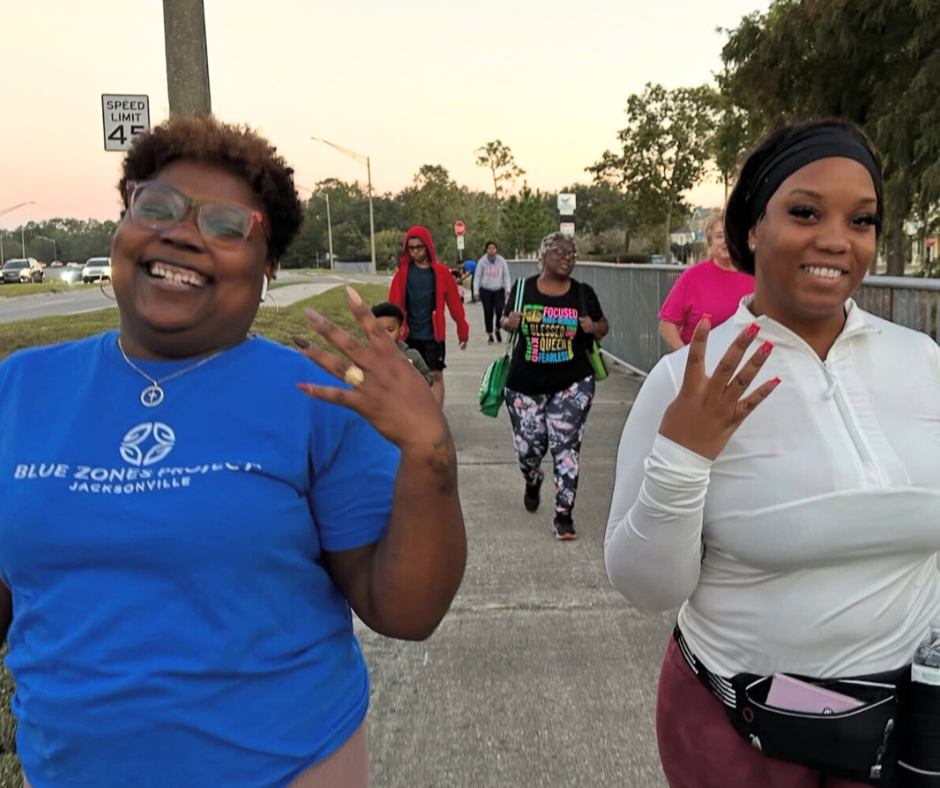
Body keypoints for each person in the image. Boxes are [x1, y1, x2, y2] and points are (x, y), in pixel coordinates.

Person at [0, 115, 467, 788]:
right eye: (156, 206)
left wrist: (430, 452)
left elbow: (405, 610)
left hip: (290, 766)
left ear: (268, 264)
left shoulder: (317, 397)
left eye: (226, 225)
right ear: (124, 220)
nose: (182, 232)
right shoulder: (20, 389)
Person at [605, 119, 940, 787]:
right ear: (751, 228)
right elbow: (647, 588)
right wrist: (683, 458)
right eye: (806, 212)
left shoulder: (923, 361)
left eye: (862, 220)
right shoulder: (686, 382)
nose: (837, 240)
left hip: (903, 731)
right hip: (743, 732)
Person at [500, 231, 609, 541]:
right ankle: (532, 479)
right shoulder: (522, 289)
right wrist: (509, 323)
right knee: (528, 449)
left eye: (572, 254)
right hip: (525, 385)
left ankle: (564, 515)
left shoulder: (583, 294)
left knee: (566, 450)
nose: (567, 258)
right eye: (561, 252)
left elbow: (603, 327)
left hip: (572, 384)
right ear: (543, 254)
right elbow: (505, 321)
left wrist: (593, 327)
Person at [388, 226, 469, 406]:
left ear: (428, 247)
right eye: (412, 248)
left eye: (419, 247)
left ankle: (435, 419)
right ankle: (413, 415)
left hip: (434, 335)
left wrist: (462, 329)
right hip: (408, 335)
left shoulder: (441, 273)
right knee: (409, 375)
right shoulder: (402, 274)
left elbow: (455, 304)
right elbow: (392, 307)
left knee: (435, 375)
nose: (416, 251)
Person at [657, 210, 755, 351]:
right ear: (710, 242)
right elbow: (667, 325)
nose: (726, 241)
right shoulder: (692, 277)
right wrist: (685, 359)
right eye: (720, 236)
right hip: (699, 366)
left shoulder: (756, 277)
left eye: (732, 234)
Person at [371, 301, 435, 386]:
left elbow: (429, 376)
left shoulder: (411, 355)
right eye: (380, 330)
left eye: (390, 330)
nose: (385, 335)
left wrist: (415, 382)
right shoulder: (369, 356)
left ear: (401, 330)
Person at [472, 240, 512, 344]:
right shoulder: (482, 262)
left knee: (500, 310)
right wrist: (476, 291)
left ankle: (497, 329)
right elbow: (477, 276)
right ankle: (490, 334)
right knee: (488, 311)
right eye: (489, 248)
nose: (491, 250)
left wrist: (508, 289)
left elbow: (506, 276)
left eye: (493, 248)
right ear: (486, 250)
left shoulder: (501, 261)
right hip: (486, 290)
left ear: (496, 250)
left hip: (498, 289)